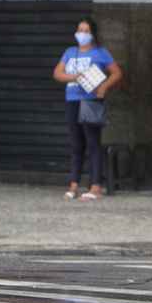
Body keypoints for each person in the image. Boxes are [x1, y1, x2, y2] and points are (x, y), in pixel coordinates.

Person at [53, 17, 123, 201]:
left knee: (92, 143)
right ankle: (73, 185)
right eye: (79, 30)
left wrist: (103, 88)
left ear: (92, 34)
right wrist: (74, 76)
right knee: (76, 144)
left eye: (85, 30)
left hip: (91, 101)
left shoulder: (100, 53)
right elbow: (57, 73)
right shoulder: (70, 52)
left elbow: (116, 73)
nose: (81, 34)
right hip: (72, 100)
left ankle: (95, 186)